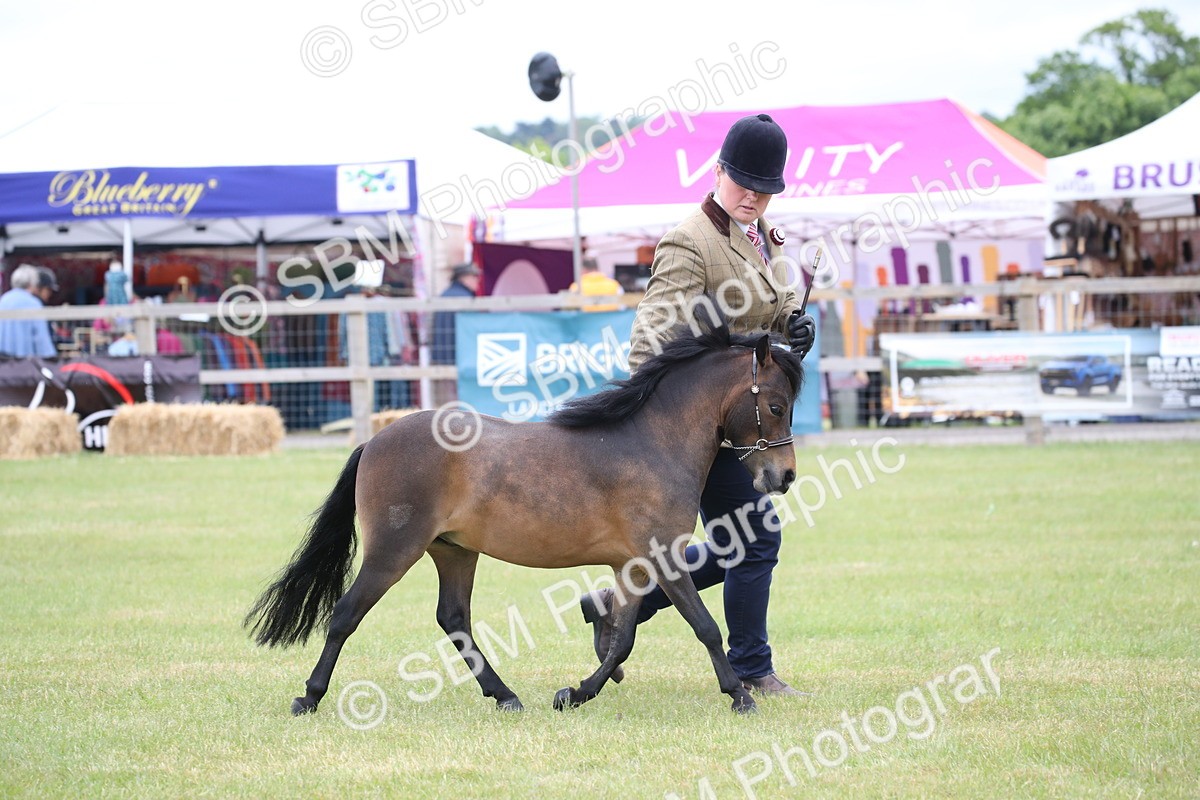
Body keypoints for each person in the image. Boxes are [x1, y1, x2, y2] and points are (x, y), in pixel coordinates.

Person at [580, 114, 817, 696]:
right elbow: (651, 338)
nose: (753, 197)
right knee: (755, 538)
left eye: (765, 189)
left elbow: (776, 299)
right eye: (743, 184)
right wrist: (663, 415)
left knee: (745, 539)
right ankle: (751, 668)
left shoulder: (762, 233)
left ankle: (623, 603)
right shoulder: (690, 241)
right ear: (718, 172)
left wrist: (793, 322)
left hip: (741, 423)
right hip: (692, 431)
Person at [430, 263, 481, 404]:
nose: (477, 280)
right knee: (464, 399)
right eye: (474, 276)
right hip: (462, 356)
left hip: (442, 356)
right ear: (464, 277)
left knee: (447, 399)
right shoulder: (466, 299)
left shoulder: (444, 295)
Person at [0, 264, 58, 358]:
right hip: (25, 362)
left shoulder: (3, 300)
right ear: (32, 284)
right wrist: (51, 358)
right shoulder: (33, 304)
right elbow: (41, 339)